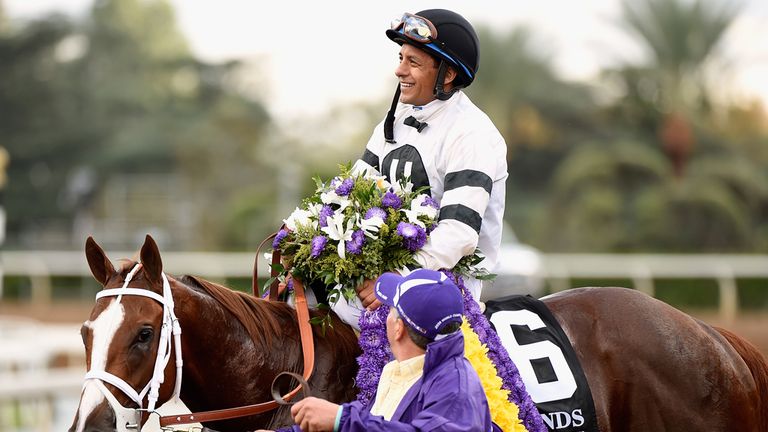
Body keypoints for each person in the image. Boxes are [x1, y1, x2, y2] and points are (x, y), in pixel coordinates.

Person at [331, 9, 508, 326]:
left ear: (448, 74)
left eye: (413, 62)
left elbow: (459, 235)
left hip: (444, 285)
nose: (399, 70)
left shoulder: (472, 134)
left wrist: (393, 279)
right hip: (381, 276)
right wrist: (306, 233)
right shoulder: (396, 119)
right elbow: (351, 190)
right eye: (401, 58)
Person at [260, 269, 495, 432]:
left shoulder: (455, 386)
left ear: (398, 328)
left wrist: (341, 420)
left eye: (391, 309)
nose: (386, 316)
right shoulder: (402, 368)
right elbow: (376, 421)